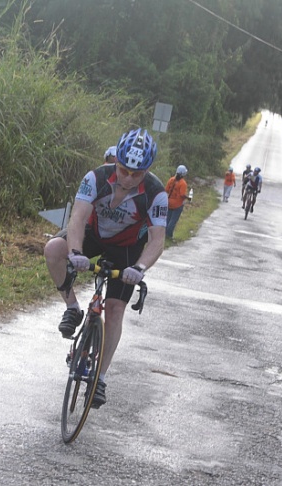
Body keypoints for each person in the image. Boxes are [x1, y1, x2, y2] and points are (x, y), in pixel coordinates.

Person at [43, 128, 168, 408]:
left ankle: (100, 376)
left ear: (147, 170)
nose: (128, 178)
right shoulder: (96, 177)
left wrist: (140, 267)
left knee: (114, 309)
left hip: (127, 249)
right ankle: (72, 308)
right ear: (117, 162)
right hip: (92, 234)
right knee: (53, 249)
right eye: (124, 170)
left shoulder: (156, 193)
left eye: (137, 174)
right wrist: (75, 252)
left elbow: (157, 241)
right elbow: (77, 218)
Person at [165, 165, 189, 240]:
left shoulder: (171, 179)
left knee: (167, 219)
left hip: (169, 202)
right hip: (178, 204)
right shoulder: (183, 183)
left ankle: (164, 234)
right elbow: (182, 194)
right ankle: (169, 235)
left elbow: (166, 190)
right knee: (173, 220)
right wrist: (188, 197)